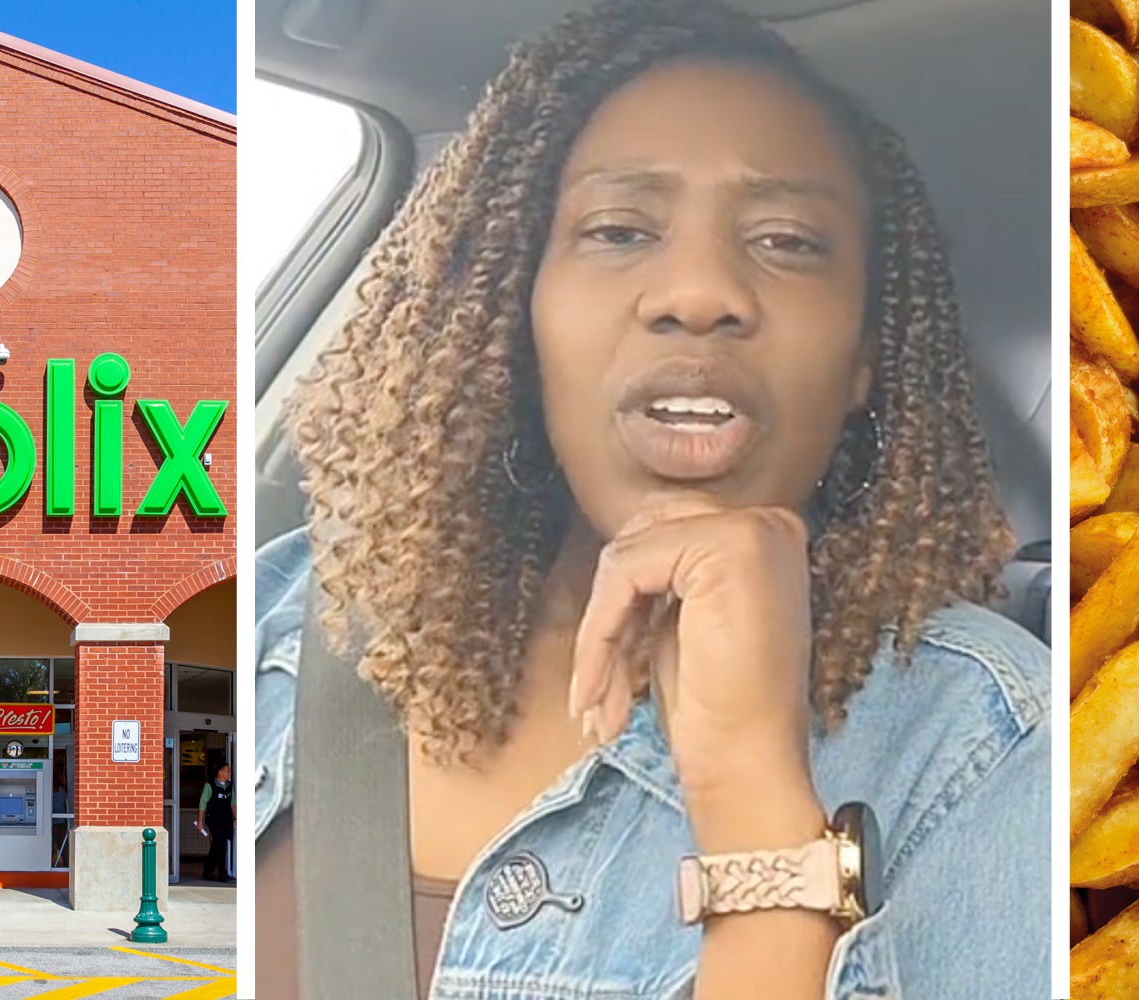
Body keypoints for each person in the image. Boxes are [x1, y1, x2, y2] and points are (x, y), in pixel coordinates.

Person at [254, 1, 1048, 997]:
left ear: (862, 358)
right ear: (516, 313)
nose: (698, 291)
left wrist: (755, 800)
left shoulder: (988, 743)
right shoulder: (266, 628)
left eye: (788, 240)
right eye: (618, 228)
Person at [197, 763, 235, 883]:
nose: (229, 773)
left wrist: (236, 818)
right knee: (220, 842)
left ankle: (207, 871)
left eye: (229, 771)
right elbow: (203, 803)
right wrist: (200, 822)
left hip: (226, 819)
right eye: (227, 771)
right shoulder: (210, 785)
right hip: (213, 820)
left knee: (217, 845)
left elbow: (233, 803)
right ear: (220, 772)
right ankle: (222, 874)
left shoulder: (230, 786)